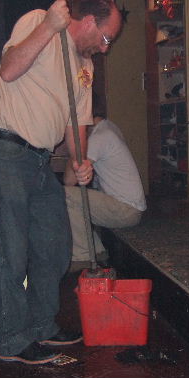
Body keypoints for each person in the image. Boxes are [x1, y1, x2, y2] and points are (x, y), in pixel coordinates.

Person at [0, 0, 122, 365]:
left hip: (40, 161)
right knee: (12, 250)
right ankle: (11, 339)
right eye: (105, 38)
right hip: (5, 150)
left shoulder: (85, 65)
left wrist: (80, 160)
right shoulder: (39, 20)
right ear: (88, 21)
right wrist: (48, 27)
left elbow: (78, 123)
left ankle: (41, 325)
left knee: (55, 244)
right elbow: (9, 69)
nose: (105, 49)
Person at [64, 107, 146, 269]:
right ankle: (97, 252)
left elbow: (69, 180)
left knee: (66, 194)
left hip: (125, 209)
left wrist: (75, 145)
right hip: (129, 207)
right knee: (78, 196)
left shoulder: (99, 137)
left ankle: (83, 257)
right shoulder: (109, 127)